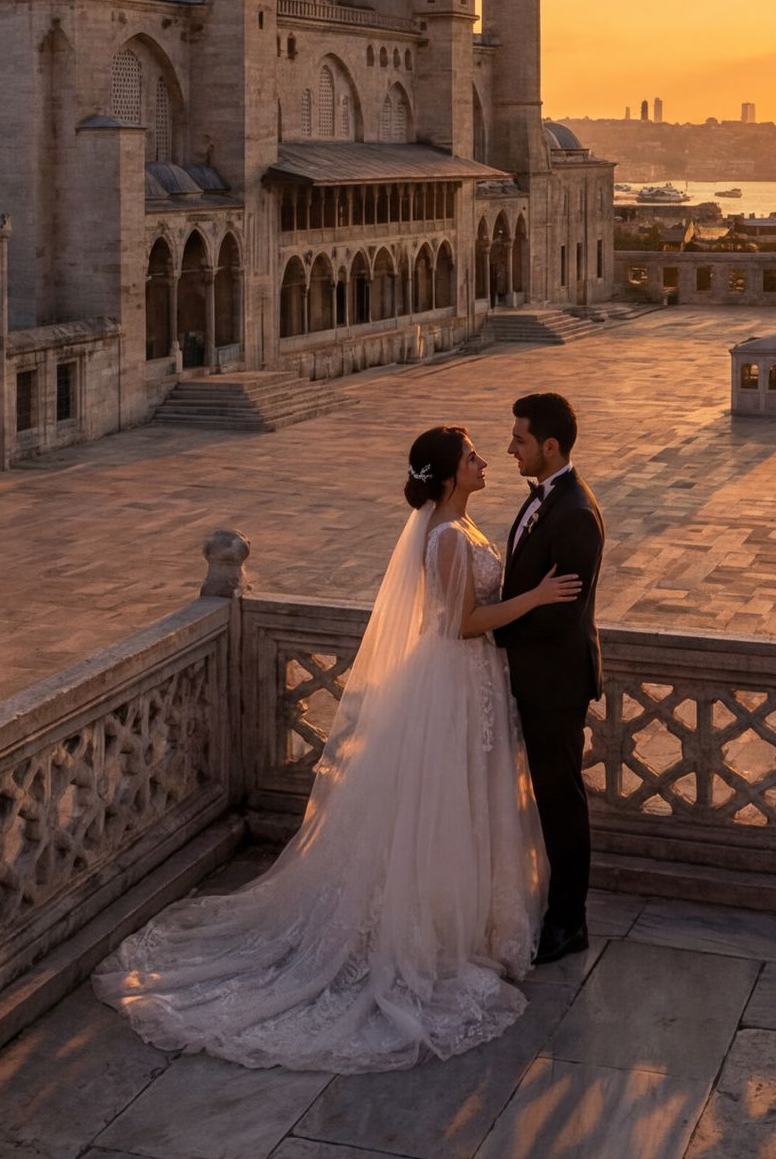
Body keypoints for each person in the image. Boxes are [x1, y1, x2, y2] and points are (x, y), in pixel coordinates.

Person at [91, 424, 581, 1071]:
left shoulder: (456, 529)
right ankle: (426, 932)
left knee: (456, 799)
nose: (484, 460)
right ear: (449, 473)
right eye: (471, 456)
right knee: (439, 801)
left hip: (467, 682)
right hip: (454, 677)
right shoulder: (447, 537)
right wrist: (535, 597)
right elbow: (462, 622)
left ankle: (459, 923)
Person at [497, 391, 605, 963]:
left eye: (519, 439)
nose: (510, 448)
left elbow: (561, 615)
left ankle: (569, 922)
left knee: (562, 801)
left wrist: (490, 632)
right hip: (536, 680)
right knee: (547, 797)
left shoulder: (575, 514)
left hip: (556, 685)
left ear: (550, 446)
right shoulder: (545, 498)